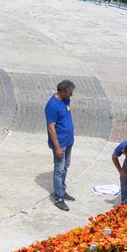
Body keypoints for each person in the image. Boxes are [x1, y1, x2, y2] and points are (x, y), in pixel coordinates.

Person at [45, 80, 76, 211]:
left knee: (65, 166)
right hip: (60, 143)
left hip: (68, 141)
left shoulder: (66, 100)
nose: (71, 95)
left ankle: (62, 190)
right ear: (63, 92)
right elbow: (51, 128)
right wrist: (57, 147)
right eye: (70, 93)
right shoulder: (52, 105)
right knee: (59, 169)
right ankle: (58, 197)